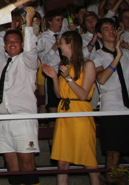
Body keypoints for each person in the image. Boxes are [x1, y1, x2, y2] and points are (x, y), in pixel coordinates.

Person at [0, 7, 40, 185]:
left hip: (23, 117)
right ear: (4, 45)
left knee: (27, 164)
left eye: (16, 41)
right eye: (9, 41)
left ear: (21, 43)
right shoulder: (1, 60)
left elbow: (30, 49)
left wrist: (28, 22)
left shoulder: (29, 61)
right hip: (2, 118)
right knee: (11, 164)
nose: (12, 44)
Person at [93, 18, 129, 184]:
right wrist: (117, 57)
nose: (111, 31)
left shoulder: (128, 53)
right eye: (106, 29)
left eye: (113, 28)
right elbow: (101, 79)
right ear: (99, 34)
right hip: (112, 110)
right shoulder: (97, 56)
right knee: (113, 156)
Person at [42, 31, 99, 185]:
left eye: (61, 43)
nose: (59, 46)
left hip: (80, 113)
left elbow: (83, 95)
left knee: (89, 160)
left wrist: (67, 78)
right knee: (62, 163)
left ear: (70, 44)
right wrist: (54, 78)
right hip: (64, 114)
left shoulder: (88, 64)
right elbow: (60, 95)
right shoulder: (65, 65)